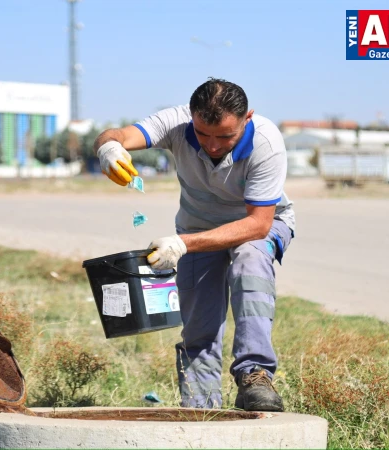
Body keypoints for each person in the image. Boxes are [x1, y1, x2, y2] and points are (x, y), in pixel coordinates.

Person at [92, 78, 295, 412]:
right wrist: (109, 148)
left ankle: (254, 375)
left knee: (250, 257)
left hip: (260, 225)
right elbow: (117, 135)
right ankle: (201, 409)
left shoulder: (266, 142)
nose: (213, 146)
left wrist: (182, 244)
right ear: (191, 117)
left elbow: (258, 224)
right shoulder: (175, 122)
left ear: (247, 118)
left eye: (225, 136)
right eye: (203, 135)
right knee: (199, 325)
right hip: (197, 230)